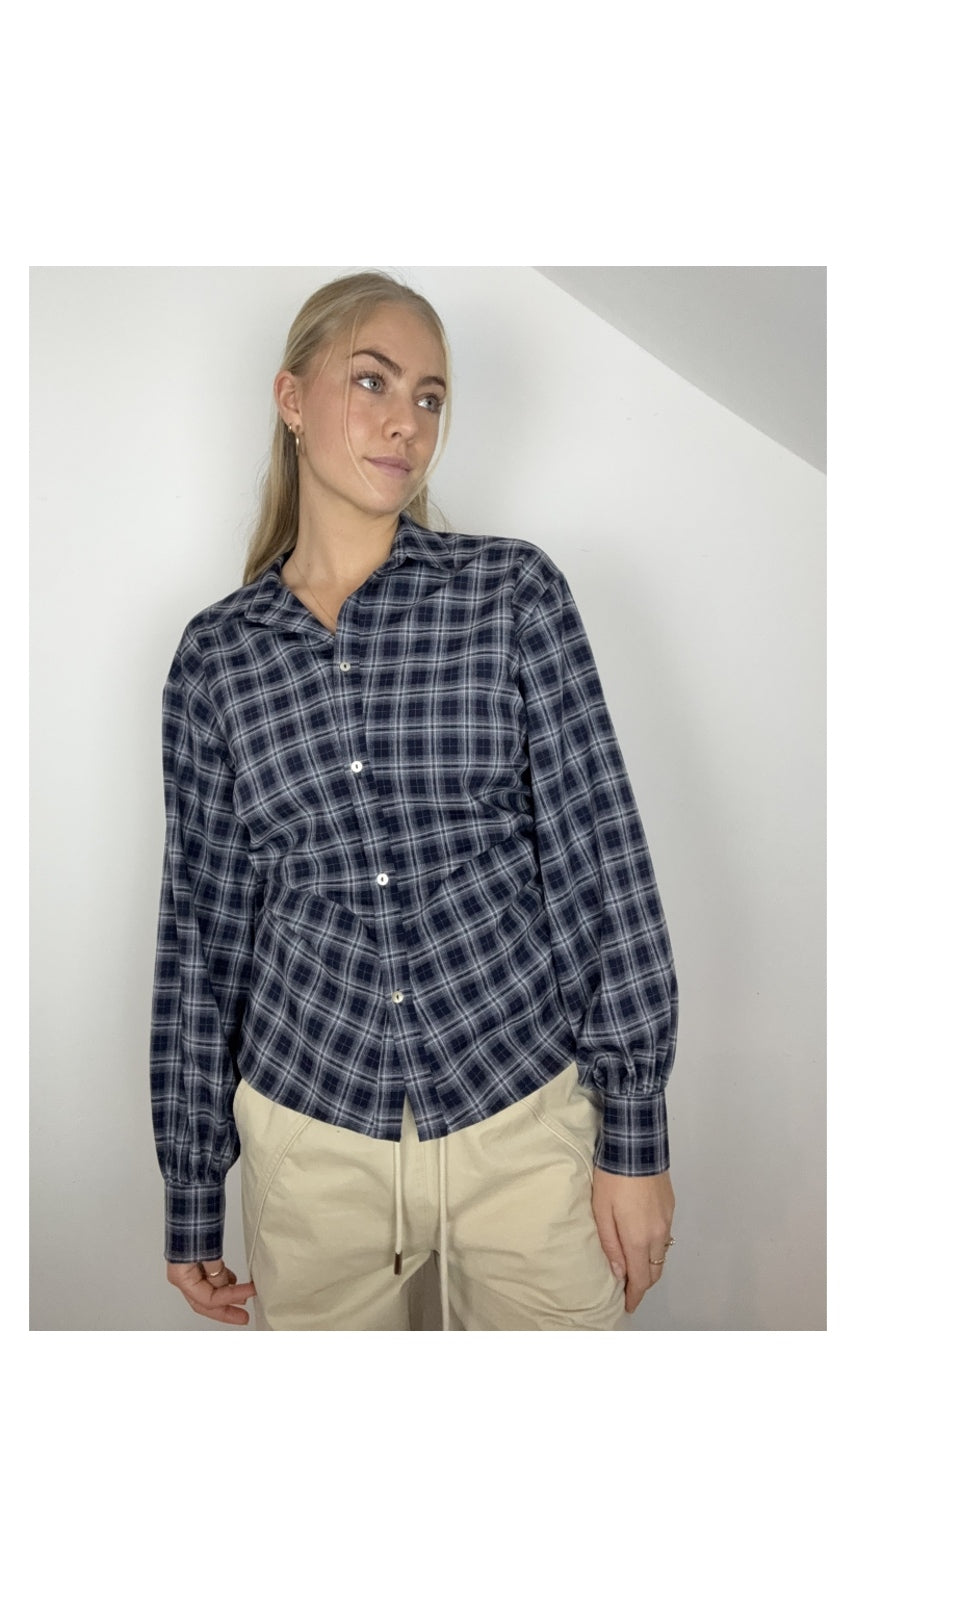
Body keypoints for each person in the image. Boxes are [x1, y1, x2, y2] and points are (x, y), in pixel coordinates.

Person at [150, 270, 678, 1331]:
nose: (407, 422)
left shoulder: (512, 595)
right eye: (373, 381)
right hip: (313, 1144)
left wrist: (635, 1140)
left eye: (430, 397)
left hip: (521, 1117)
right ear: (290, 398)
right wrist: (192, 1187)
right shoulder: (216, 659)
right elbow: (204, 937)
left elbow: (600, 862)